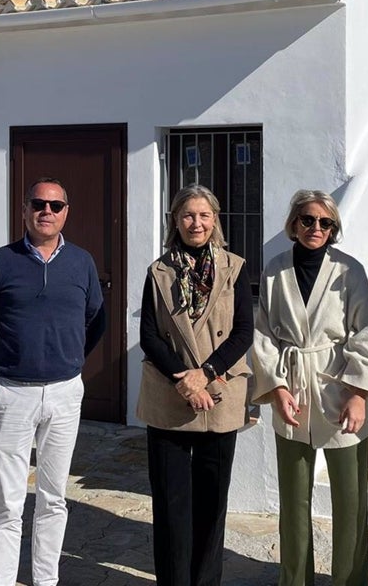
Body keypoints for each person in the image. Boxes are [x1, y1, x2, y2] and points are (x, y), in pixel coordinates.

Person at [0, 177, 105, 586]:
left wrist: (70, 359)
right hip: (13, 394)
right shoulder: (0, 262)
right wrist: (2, 366)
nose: (47, 211)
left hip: (64, 394)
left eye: (55, 206)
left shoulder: (82, 262)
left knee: (54, 497)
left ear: (66, 213)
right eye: (38, 204)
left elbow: (97, 321)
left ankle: (45, 580)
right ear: (24, 210)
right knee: (7, 501)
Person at [251, 190, 368, 586]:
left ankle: (350, 579)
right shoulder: (274, 271)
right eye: (308, 220)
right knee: (293, 501)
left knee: (350, 500)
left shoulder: (349, 272)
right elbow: (264, 333)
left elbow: (367, 334)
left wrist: (359, 394)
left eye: (326, 223)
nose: (316, 228)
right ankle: (294, 580)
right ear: (294, 224)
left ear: (334, 229)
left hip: (339, 388)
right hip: (291, 389)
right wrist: (275, 387)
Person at [136, 184, 254, 586]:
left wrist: (205, 374)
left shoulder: (235, 268)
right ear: (176, 221)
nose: (196, 223)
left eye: (204, 215)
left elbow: (242, 333)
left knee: (211, 501)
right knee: (170, 504)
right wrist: (184, 381)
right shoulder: (159, 271)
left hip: (218, 394)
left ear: (215, 220)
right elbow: (149, 336)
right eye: (188, 215)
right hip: (170, 398)